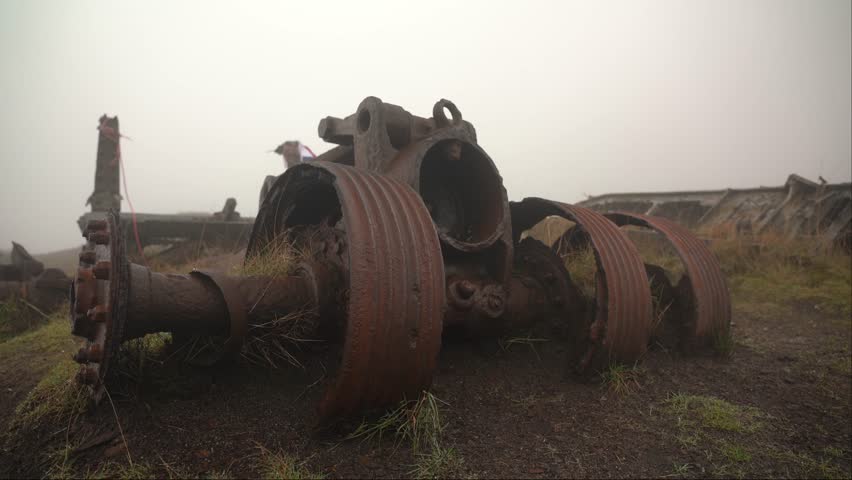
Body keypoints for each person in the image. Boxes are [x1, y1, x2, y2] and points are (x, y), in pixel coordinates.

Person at [259, 140, 317, 210]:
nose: (290, 156)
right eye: (288, 154)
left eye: (293, 155)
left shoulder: (313, 179)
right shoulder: (273, 182)